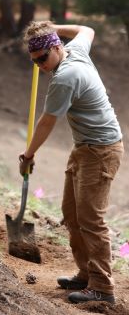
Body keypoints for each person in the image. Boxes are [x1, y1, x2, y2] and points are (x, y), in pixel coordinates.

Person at [19, 21, 124, 304]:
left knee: (91, 219)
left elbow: (47, 122)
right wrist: (54, 26)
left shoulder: (66, 76)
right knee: (72, 213)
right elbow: (86, 30)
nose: (40, 66)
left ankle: (102, 287)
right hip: (84, 148)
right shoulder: (74, 49)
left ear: (56, 47)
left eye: (43, 58)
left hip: (101, 151)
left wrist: (28, 155)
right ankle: (86, 274)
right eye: (35, 61)